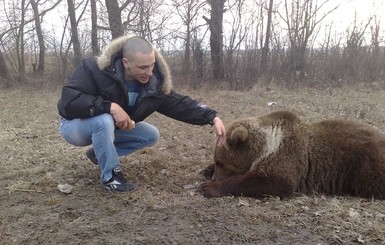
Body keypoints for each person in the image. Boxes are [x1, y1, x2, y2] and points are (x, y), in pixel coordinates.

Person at [57, 35, 226, 192]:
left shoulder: (153, 86)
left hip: (107, 129)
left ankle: (99, 153)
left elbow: (179, 104)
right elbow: (68, 102)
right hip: (75, 126)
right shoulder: (95, 68)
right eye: (143, 67)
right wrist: (110, 107)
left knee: (150, 135)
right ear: (126, 62)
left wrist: (212, 117)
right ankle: (110, 177)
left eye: (152, 65)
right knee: (104, 120)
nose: (149, 72)